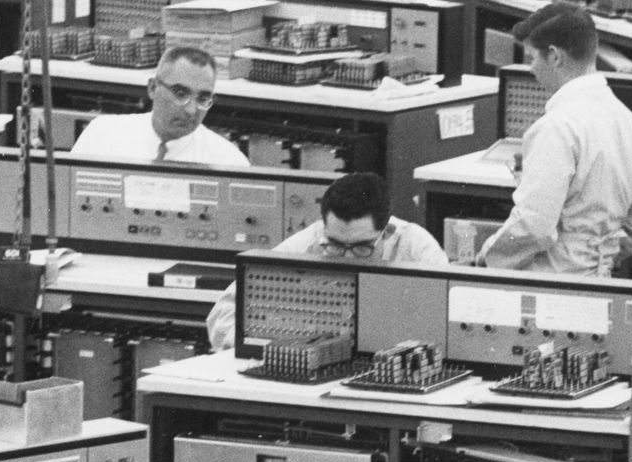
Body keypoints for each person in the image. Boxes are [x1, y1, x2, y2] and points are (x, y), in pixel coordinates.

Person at [476, 2, 632, 277]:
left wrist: (486, 258)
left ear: (555, 56)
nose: (531, 68)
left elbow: (534, 226)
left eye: (532, 57)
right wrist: (598, 255)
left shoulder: (556, 128)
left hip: (549, 284)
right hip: (603, 283)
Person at [205, 171, 448, 351]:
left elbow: (446, 325)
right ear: (323, 226)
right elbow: (224, 314)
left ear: (388, 232)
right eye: (335, 246)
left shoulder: (418, 250)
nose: (347, 259)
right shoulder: (305, 245)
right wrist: (271, 349)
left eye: (362, 248)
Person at [69, 46, 248, 165]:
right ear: (153, 88)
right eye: (180, 94)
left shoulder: (228, 161)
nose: (191, 110)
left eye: (203, 99)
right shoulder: (101, 136)